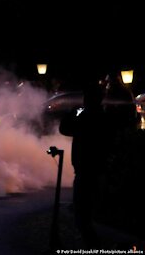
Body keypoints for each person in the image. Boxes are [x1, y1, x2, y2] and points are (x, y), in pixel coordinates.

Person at [59, 83, 111, 248]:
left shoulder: (87, 117)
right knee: (87, 214)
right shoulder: (102, 117)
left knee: (82, 216)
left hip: (85, 172)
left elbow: (65, 129)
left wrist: (70, 113)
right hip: (96, 170)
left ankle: (93, 248)